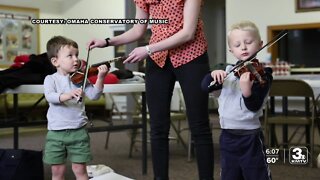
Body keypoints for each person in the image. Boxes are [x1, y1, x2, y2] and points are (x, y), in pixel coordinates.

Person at [87, 0, 214, 179]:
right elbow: (138, 30)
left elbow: (188, 33)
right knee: (157, 126)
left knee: (199, 125)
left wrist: (148, 48)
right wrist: (107, 42)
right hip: (158, 58)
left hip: (191, 56)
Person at [202, 21, 273, 180]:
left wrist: (246, 90)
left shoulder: (263, 74)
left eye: (248, 42)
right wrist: (213, 75)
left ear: (260, 44)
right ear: (231, 49)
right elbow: (205, 87)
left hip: (251, 137)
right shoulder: (227, 72)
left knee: (257, 174)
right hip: (227, 135)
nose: (244, 47)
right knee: (229, 174)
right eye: (237, 44)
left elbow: (254, 106)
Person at [43, 36, 109, 180]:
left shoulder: (80, 78)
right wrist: (68, 95)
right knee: (58, 172)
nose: (76, 59)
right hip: (56, 133)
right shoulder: (50, 79)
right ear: (55, 61)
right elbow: (50, 97)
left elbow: (95, 95)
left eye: (77, 55)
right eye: (70, 56)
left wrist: (100, 78)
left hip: (78, 132)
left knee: (80, 170)